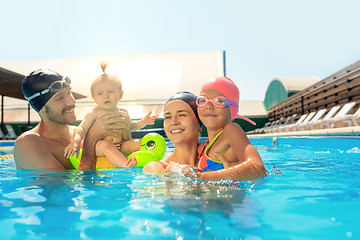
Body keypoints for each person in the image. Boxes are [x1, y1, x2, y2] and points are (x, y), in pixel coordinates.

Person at [14, 69, 132, 170]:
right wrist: (90, 140)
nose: (72, 101)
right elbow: (63, 190)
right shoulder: (28, 143)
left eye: (69, 93)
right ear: (42, 108)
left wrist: (125, 129)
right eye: (60, 98)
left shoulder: (78, 133)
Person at [64, 62, 157, 167]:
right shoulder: (93, 113)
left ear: (120, 95)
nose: (106, 96)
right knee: (106, 145)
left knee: (138, 143)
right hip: (99, 147)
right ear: (94, 98)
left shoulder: (123, 112)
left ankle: (150, 160)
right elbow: (81, 129)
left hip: (120, 145)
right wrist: (75, 142)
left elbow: (130, 126)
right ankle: (126, 164)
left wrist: (143, 122)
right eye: (100, 93)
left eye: (111, 92)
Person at [195, 77, 267, 181]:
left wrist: (202, 177)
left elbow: (258, 168)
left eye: (219, 101)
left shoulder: (231, 130)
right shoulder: (202, 147)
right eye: (203, 100)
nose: (209, 106)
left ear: (232, 109)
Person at [142, 92, 202, 173]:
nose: (173, 122)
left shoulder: (215, 162)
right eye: (168, 117)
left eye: (182, 115)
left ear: (199, 123)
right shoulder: (156, 168)